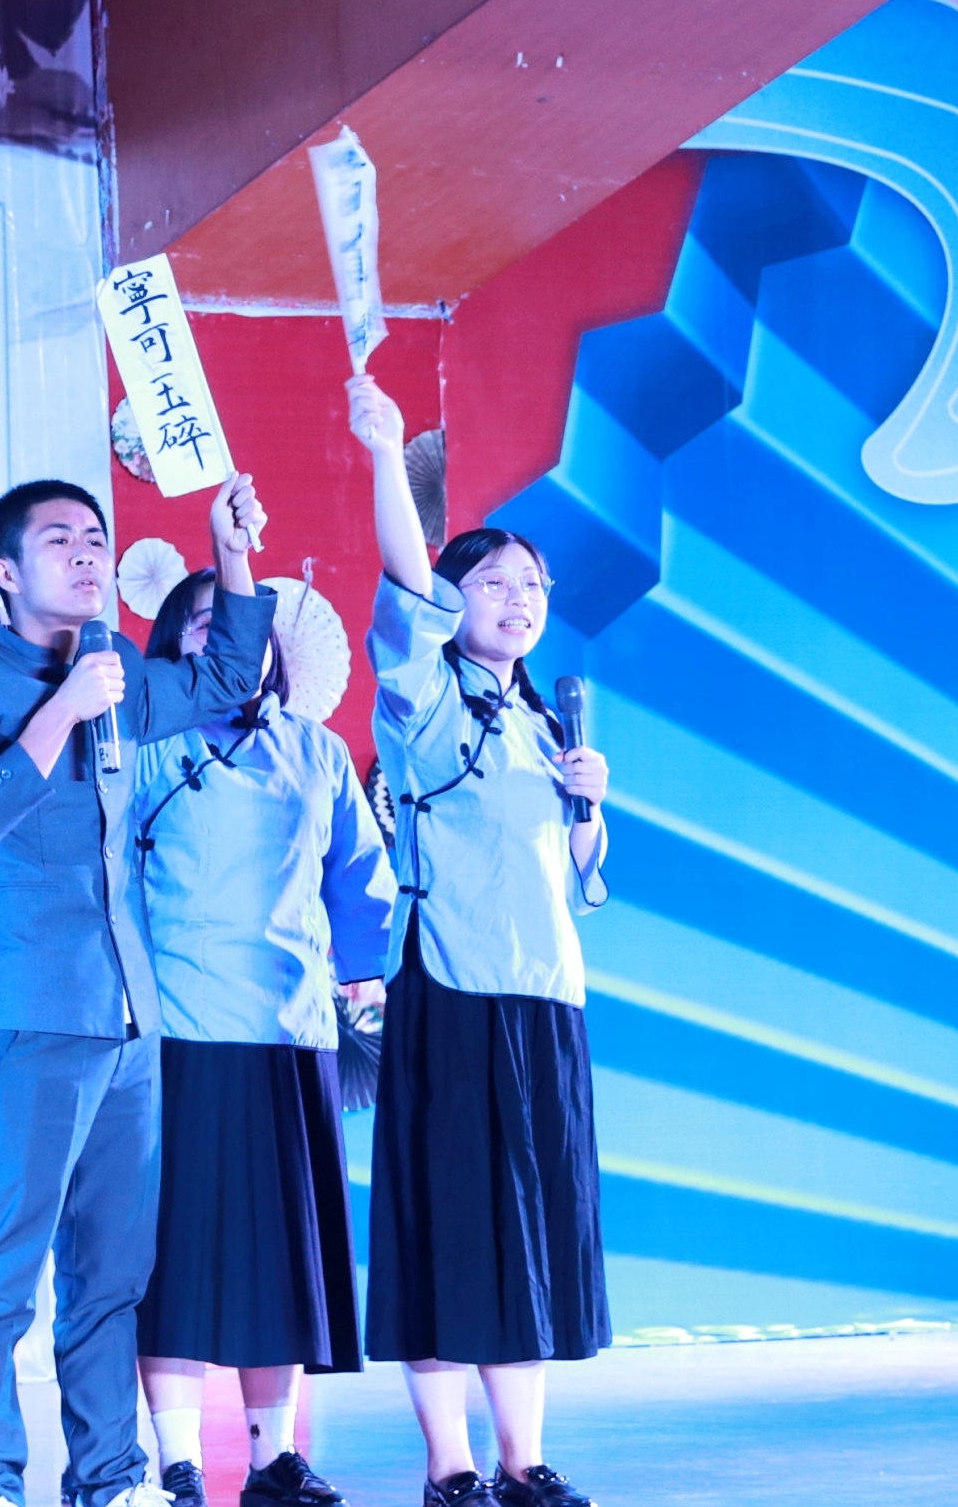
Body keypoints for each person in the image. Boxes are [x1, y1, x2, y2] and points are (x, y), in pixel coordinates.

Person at [0, 472, 275, 1507]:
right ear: (2, 571)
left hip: (127, 1015)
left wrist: (230, 550)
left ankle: (108, 1478)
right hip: (24, 1011)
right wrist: (64, 708)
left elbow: (224, 681)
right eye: (59, 539)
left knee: (111, 1272)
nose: (87, 554)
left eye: (96, 539)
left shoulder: (114, 665)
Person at [346, 376, 613, 1507]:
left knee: (532, 1231)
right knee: (452, 1225)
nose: (519, 600)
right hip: (451, 992)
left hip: (546, 1000)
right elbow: (407, 583)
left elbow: (580, 878)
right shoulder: (424, 697)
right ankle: (450, 1465)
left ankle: (523, 1457)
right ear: (454, 599)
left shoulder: (546, 724)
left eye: (534, 586)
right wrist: (385, 453)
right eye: (496, 582)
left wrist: (591, 806)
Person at [130, 569, 397, 1507]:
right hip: (177, 1030)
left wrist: (363, 977)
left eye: (243, 627)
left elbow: (360, 876)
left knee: (279, 1258)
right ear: (173, 646)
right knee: (172, 1256)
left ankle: (273, 1457)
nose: (229, 641)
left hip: (290, 1033)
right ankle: (176, 1459)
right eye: (206, 625)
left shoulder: (316, 751)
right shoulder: (147, 747)